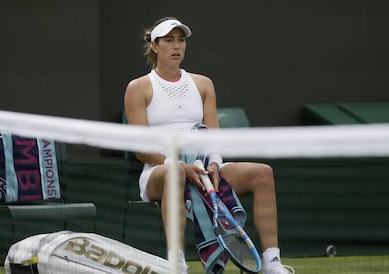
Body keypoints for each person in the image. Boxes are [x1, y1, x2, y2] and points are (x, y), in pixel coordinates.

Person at [124, 17, 295, 274]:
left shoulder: (203, 84)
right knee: (176, 173)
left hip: (202, 168)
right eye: (169, 40)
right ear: (155, 46)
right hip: (160, 171)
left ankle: (272, 263)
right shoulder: (138, 88)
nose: (176, 46)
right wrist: (180, 165)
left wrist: (214, 163)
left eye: (181, 40)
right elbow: (140, 151)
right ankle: (177, 263)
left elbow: (214, 138)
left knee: (263, 173)